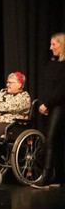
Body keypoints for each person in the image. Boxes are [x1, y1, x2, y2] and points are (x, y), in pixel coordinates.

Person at [39, 32, 65, 184]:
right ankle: (58, 175)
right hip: (49, 105)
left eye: (53, 44)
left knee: (51, 139)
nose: (51, 47)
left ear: (62, 45)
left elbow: (61, 90)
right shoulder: (51, 64)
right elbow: (46, 86)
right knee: (52, 141)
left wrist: (48, 103)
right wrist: (43, 103)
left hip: (59, 106)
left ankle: (47, 174)